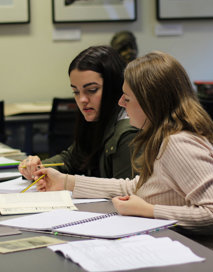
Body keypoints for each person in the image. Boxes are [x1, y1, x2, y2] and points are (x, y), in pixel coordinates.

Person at [33, 51, 213, 266]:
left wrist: (149, 211)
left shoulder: (179, 144)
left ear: (151, 102)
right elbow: (138, 187)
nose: (121, 103)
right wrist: (66, 182)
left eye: (127, 98)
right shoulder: (163, 137)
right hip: (192, 252)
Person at [19, 46, 138, 180]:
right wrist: (37, 167)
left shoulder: (128, 133)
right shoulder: (97, 119)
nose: (82, 100)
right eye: (76, 91)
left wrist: (69, 183)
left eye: (92, 90)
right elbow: (71, 159)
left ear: (114, 88)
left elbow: (123, 193)